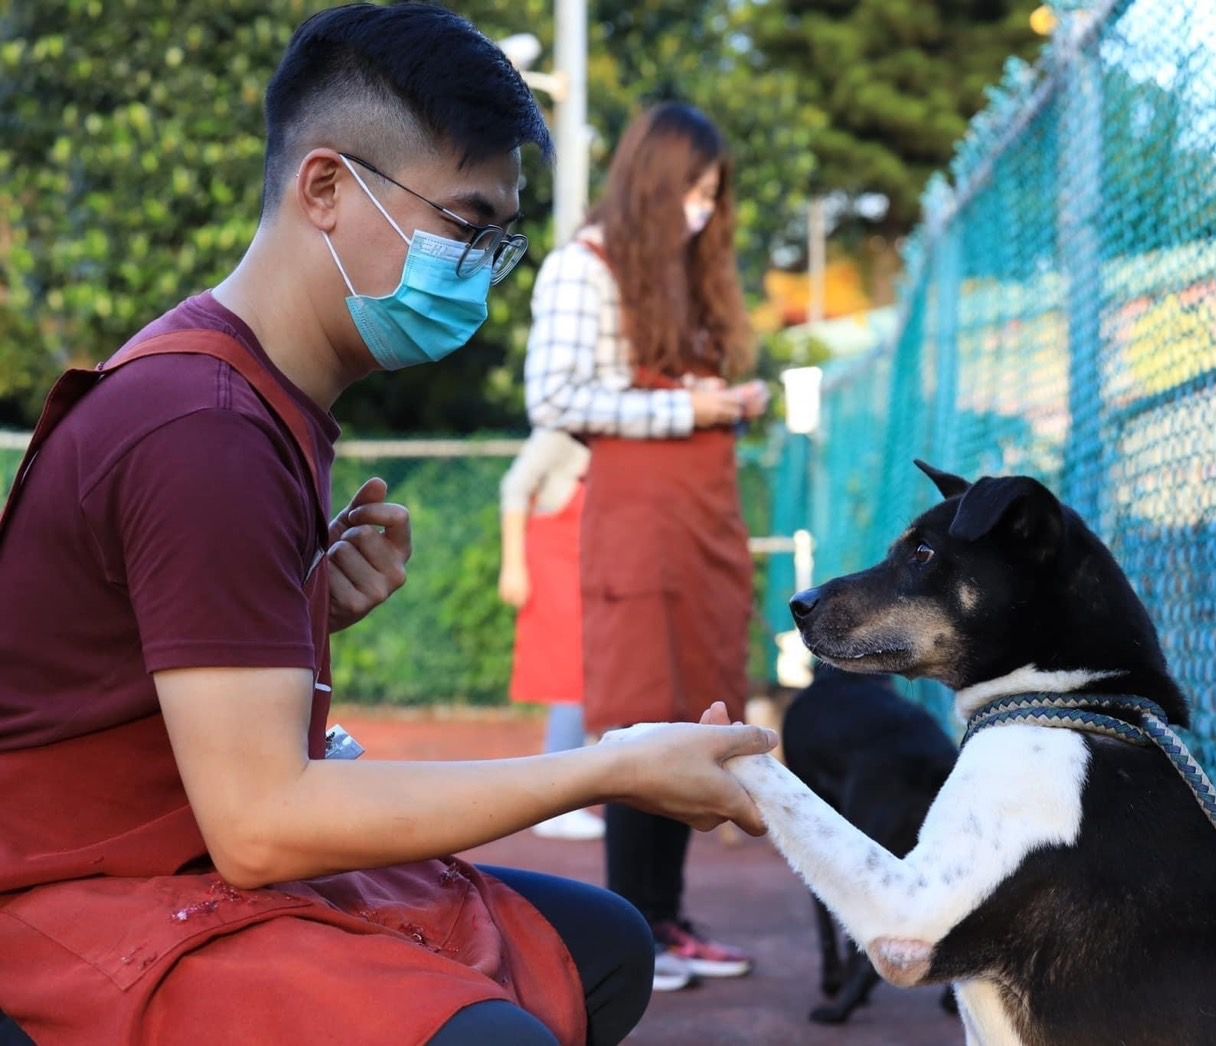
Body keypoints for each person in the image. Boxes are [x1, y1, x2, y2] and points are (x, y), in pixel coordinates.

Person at [0, 8, 775, 1045]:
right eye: (464, 224)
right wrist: (608, 765)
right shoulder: (206, 426)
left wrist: (303, 607)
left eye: (499, 239)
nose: (480, 269)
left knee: (597, 943)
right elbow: (263, 823)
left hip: (177, 851)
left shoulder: (247, 392)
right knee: (495, 1030)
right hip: (81, 889)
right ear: (325, 187)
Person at [525, 103, 770, 995]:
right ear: (654, 182)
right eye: (692, 191)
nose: (703, 211)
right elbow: (554, 396)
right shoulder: (583, 268)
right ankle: (634, 928)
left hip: (701, 522)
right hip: (635, 522)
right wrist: (687, 408)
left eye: (714, 196)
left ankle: (666, 918)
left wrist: (725, 398)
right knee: (640, 712)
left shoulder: (684, 276)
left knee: (697, 708)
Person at [498, 429, 603, 841]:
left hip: (583, 559)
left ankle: (572, 792)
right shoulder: (558, 431)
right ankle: (558, 804)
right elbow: (514, 488)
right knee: (569, 670)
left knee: (586, 670)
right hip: (553, 557)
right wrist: (513, 564)